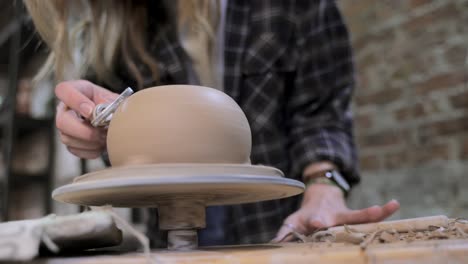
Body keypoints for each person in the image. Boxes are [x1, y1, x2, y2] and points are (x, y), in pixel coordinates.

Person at [25, 0, 400, 246]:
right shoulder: (116, 24)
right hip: (166, 226)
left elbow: (321, 111)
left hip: (276, 223)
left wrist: (324, 186)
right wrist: (99, 126)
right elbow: (131, 150)